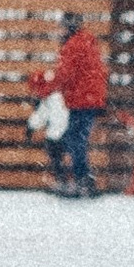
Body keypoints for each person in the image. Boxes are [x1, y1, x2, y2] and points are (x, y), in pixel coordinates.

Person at [51, 12, 107, 196]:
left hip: (82, 101)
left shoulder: (74, 44)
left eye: (62, 27)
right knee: (75, 140)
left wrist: (42, 86)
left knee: (74, 141)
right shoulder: (86, 41)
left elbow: (64, 74)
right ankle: (82, 180)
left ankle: (81, 181)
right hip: (88, 99)